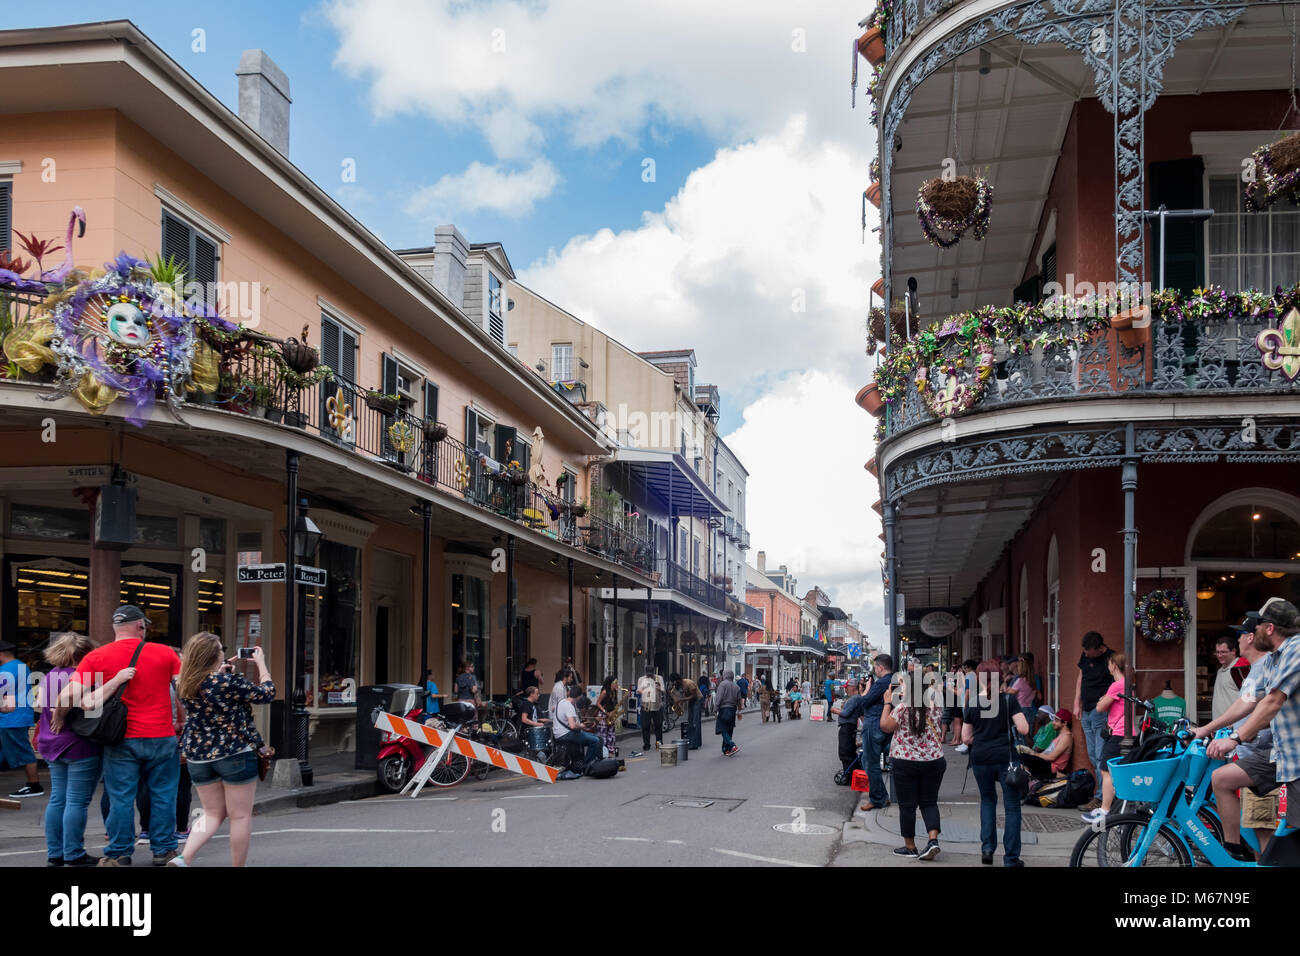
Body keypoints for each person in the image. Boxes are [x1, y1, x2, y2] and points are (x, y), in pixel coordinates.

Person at [70, 606, 182, 867]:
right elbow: (185, 690)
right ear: (140, 626)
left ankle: (119, 853)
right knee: (163, 795)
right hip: (161, 736)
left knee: (120, 796)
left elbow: (75, 695)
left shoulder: (96, 657)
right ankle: (163, 850)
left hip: (120, 737)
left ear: (115, 628)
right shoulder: (165, 653)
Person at [1196, 600, 1299, 860]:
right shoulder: (1274, 659)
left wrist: (1235, 738)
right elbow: (1249, 702)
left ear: (1270, 628)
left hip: (1296, 758)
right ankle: (1233, 851)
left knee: (1289, 832)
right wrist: (1205, 728)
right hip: (1281, 756)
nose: (1249, 635)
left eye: (1258, 625)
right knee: (1221, 779)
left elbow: (1273, 702)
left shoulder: (1295, 650)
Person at [171, 633, 273, 867]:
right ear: (213, 655)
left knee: (211, 814)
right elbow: (267, 693)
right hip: (234, 752)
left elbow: (210, 691)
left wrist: (219, 672)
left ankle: (183, 858)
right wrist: (261, 664)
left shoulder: (183, 683)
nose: (223, 652)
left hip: (198, 755)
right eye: (219, 649)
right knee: (239, 816)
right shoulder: (228, 682)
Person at [37, 633, 113, 866]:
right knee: (76, 802)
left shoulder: (50, 675)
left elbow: (40, 705)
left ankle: (55, 853)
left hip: (51, 743)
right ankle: (73, 853)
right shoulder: (83, 676)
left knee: (58, 799)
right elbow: (76, 702)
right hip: (79, 744)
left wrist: (55, 716)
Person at [963, 660, 1031, 866]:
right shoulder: (1009, 701)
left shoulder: (973, 702)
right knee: (1011, 807)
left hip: (981, 757)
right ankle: (1011, 858)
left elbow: (966, 737)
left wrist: (982, 739)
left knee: (987, 801)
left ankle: (987, 848)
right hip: (1005, 758)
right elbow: (1024, 729)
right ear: (1000, 678)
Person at [880, 674, 946, 860]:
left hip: (905, 762)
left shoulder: (902, 708)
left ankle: (910, 847)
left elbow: (885, 726)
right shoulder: (935, 707)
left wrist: (887, 702)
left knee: (907, 806)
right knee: (929, 802)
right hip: (934, 761)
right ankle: (933, 841)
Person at [1080, 651, 1130, 827]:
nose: (1108, 667)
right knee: (1115, 770)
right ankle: (1115, 806)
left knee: (1105, 770)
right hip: (1125, 732)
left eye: (1109, 664)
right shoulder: (1129, 683)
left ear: (1114, 665)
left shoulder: (1116, 685)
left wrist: (1102, 699)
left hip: (1117, 733)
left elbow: (1100, 707)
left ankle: (1105, 809)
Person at [1072, 631, 1113, 803]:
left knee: (1100, 755)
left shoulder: (1110, 659)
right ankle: (1102, 794)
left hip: (1100, 712)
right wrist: (1076, 702)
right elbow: (1080, 678)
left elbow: (1120, 683)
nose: (1086, 654)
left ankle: (1102, 797)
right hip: (1086, 710)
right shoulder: (1086, 655)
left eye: (1089, 652)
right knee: (1091, 753)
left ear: (1099, 649)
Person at [0, 639, 41, 798]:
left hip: (11, 718)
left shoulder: (6, 670)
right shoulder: (21, 666)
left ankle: (34, 785)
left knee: (23, 752)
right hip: (19, 715)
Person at [859, 654, 894, 812]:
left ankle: (877, 799)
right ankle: (882, 796)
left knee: (870, 763)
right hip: (884, 724)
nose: (875, 670)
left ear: (881, 667)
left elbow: (864, 701)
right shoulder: (894, 680)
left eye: (875, 667)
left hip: (874, 725)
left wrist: (866, 689)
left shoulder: (881, 683)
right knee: (871, 762)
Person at [1017, 708, 1074, 781]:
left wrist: (1033, 754)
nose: (1053, 723)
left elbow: (1051, 757)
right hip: (1048, 764)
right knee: (1022, 759)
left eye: (1056, 721)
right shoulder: (1061, 735)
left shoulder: (1067, 737)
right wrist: (1032, 754)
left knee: (1023, 757)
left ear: (1065, 723)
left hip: (1054, 768)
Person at [553, 683, 602, 766]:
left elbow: (569, 723)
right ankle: (587, 764)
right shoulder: (569, 706)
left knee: (597, 738)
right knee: (596, 741)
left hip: (559, 733)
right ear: (579, 697)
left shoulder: (562, 702)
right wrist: (582, 726)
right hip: (565, 735)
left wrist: (582, 728)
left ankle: (591, 761)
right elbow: (572, 725)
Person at [1211, 634, 1250, 721]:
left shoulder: (1241, 669)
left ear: (1233, 651)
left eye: (1223, 652)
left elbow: (1249, 701)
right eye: (1217, 652)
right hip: (1220, 726)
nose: (1219, 655)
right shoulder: (1220, 671)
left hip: (1236, 726)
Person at [833, 678, 867, 776]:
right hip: (850, 728)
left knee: (845, 752)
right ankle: (851, 773)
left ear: (852, 687)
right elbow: (861, 714)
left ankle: (848, 775)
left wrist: (835, 711)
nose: (846, 690)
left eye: (847, 688)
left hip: (847, 727)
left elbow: (846, 713)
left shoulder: (854, 698)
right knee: (849, 751)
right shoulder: (858, 698)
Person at [670, 673, 703, 749]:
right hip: (692, 700)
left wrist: (681, 699)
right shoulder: (680, 685)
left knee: (695, 721)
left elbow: (693, 695)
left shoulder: (689, 683)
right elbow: (686, 695)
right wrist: (680, 703)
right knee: (690, 721)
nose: (674, 684)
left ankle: (694, 743)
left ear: (677, 680)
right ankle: (693, 742)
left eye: (674, 682)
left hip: (697, 699)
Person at [636, 667, 665, 751]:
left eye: (651, 674)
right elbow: (638, 690)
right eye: (648, 674)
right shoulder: (641, 679)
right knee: (645, 725)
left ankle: (658, 743)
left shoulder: (659, 678)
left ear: (653, 673)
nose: (649, 676)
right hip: (645, 706)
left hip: (657, 706)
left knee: (658, 725)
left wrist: (658, 687)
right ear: (645, 672)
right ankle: (646, 744)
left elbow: (663, 690)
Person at [714, 671, 742, 756]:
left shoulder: (723, 684)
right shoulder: (736, 686)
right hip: (732, 709)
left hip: (724, 709)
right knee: (729, 729)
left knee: (722, 728)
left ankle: (732, 745)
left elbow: (718, 698)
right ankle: (726, 749)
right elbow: (739, 700)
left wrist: (715, 709)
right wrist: (739, 711)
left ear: (725, 675)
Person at [594, 676, 620, 758]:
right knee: (603, 734)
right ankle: (603, 751)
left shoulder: (614, 692)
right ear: (611, 683)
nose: (617, 685)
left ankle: (611, 751)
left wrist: (614, 712)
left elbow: (615, 703)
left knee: (611, 734)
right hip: (603, 715)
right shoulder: (605, 692)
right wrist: (605, 712)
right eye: (615, 683)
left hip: (611, 715)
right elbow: (597, 703)